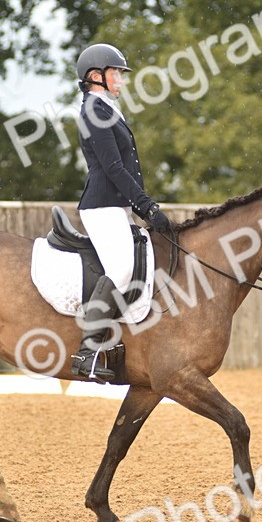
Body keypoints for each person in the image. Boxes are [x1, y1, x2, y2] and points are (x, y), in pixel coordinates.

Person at [71, 43, 172, 381]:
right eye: (117, 74)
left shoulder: (107, 108)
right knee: (122, 268)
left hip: (114, 205)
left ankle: (117, 340)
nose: (122, 81)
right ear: (96, 76)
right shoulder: (94, 111)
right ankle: (87, 352)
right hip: (101, 206)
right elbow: (114, 167)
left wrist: (140, 204)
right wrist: (147, 205)